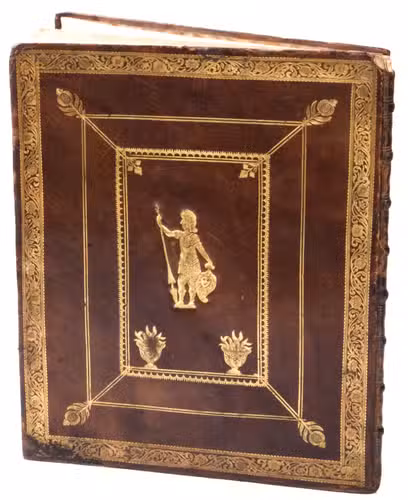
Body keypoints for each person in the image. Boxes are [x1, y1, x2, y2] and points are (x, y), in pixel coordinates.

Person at [156, 209, 215, 308]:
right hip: (183, 263)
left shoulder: (194, 237)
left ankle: (191, 302)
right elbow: (169, 233)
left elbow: (201, 250)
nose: (181, 222)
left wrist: (209, 260)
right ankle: (180, 301)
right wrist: (160, 225)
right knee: (181, 282)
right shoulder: (181, 234)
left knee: (192, 284)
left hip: (193, 264)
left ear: (188, 223)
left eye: (183, 220)